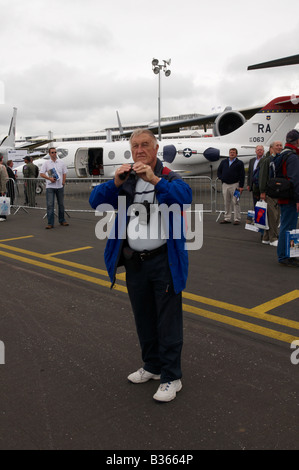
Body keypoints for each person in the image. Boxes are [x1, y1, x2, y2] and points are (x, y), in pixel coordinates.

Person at [89, 129, 192, 402]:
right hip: (135, 262)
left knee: (167, 320)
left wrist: (155, 180)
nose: (139, 150)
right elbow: (95, 201)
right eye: (135, 145)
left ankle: (172, 376)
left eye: (145, 144)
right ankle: (153, 366)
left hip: (163, 261)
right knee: (143, 317)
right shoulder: (127, 180)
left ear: (156, 148)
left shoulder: (169, 176)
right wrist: (114, 182)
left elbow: (184, 197)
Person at [276, 129, 299, 267]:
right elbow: (295, 180)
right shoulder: (293, 157)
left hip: (283, 195)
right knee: (289, 227)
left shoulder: (282, 154)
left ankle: (291, 253)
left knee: (287, 226)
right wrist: (298, 199)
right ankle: (285, 255)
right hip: (291, 197)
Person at [258, 141, 283, 246]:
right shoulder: (267, 160)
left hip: (276, 192)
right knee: (273, 216)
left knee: (272, 216)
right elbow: (263, 176)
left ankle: (266, 237)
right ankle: (273, 238)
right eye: (277, 145)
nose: (280, 147)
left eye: (281, 145)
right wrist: (262, 191)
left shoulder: (277, 159)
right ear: (271, 148)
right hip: (269, 193)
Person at [40, 147, 69, 229]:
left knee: (61, 204)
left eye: (55, 152)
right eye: (52, 152)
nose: (54, 154)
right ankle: (50, 223)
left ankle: (62, 220)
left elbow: (64, 172)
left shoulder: (61, 162)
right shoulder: (46, 163)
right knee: (50, 205)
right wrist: (49, 179)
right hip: (50, 187)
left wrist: (63, 182)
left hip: (59, 186)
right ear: (49, 154)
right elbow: (41, 173)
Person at [217, 148, 245, 225]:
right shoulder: (224, 162)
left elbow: (242, 175)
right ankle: (227, 218)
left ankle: (237, 218)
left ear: (236, 154)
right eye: (231, 152)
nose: (232, 153)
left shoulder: (239, 163)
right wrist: (221, 177)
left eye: (233, 152)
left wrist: (241, 186)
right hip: (225, 185)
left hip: (235, 185)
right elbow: (219, 171)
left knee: (236, 201)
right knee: (226, 202)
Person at [0, 155, 9, 222]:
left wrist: (3, 189)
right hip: (1, 187)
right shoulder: (2, 167)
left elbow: (3, 179)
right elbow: (5, 179)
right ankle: (2, 216)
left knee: (2, 202)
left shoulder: (2, 167)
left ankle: (2, 215)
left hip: (1, 188)